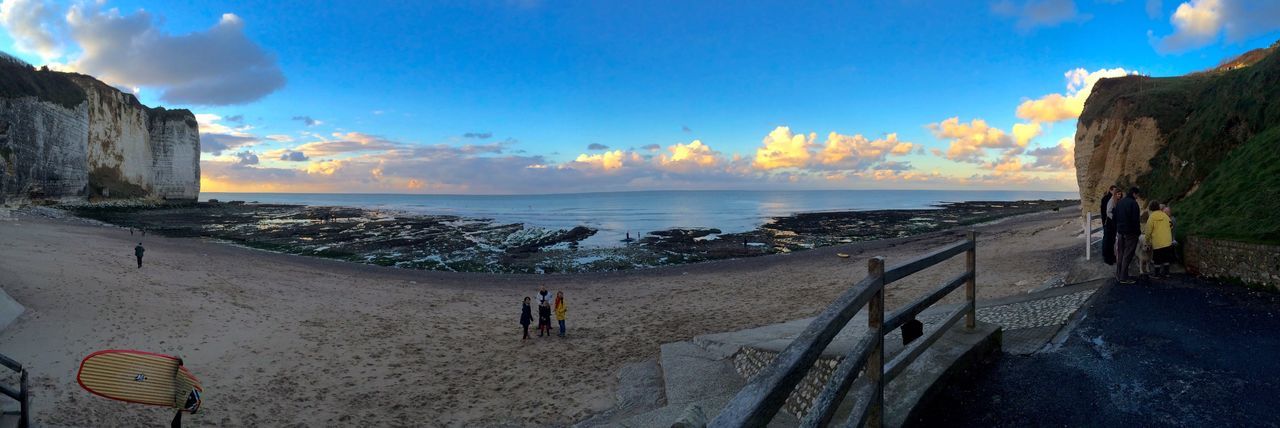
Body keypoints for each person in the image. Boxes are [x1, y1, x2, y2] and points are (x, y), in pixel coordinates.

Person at [1113, 187, 1142, 284]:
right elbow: (1135, 220)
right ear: (1134, 193)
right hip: (1131, 233)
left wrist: (1118, 229)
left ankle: (1118, 274)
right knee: (1128, 254)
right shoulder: (1133, 204)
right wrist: (1138, 232)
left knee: (1120, 253)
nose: (1137, 197)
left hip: (1120, 232)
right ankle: (1124, 277)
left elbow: (1115, 217)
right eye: (1137, 194)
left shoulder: (1120, 202)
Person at [1144, 200, 1175, 278]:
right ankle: (1166, 273)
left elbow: (1148, 231)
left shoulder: (1151, 217)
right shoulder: (1165, 215)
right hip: (1167, 241)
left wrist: (1147, 241)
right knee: (1166, 258)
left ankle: (1156, 274)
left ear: (1150, 208)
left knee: (1157, 259)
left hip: (1158, 242)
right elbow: (1171, 226)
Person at [1100, 185, 1119, 265]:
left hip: (1109, 222)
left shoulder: (1108, 198)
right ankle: (1107, 257)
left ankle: (1110, 256)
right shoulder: (1107, 198)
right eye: (1114, 190)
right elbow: (1107, 212)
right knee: (1107, 240)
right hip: (1108, 222)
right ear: (1110, 190)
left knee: (1111, 240)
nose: (1115, 192)